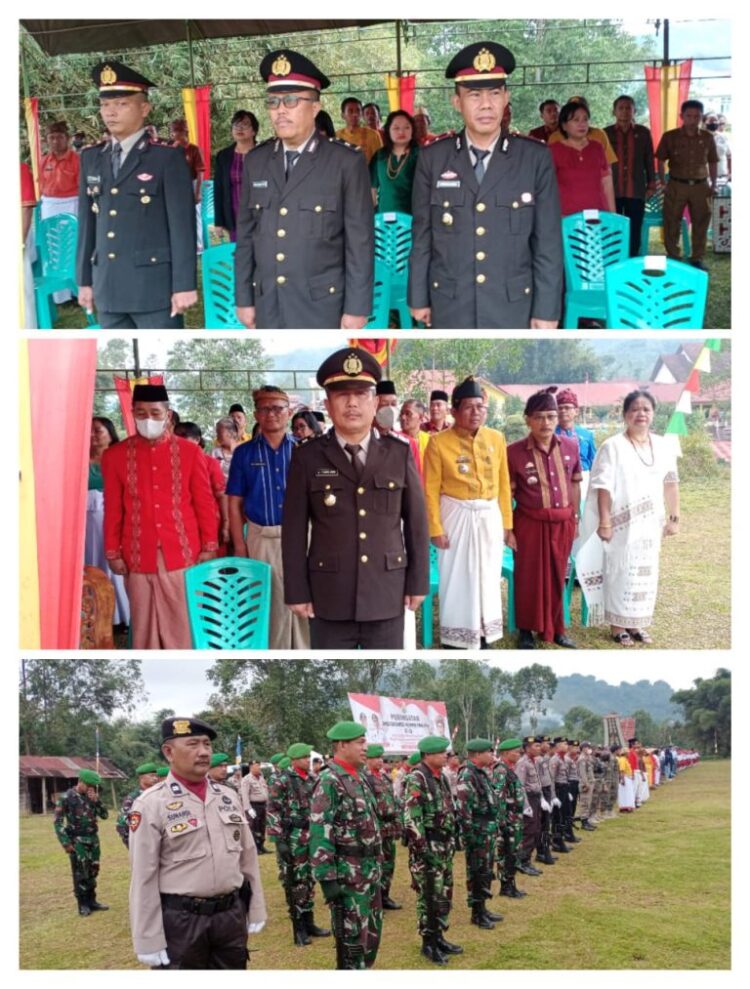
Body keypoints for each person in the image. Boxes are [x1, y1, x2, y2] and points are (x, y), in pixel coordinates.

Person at [408, 41, 563, 329]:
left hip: (514, 304)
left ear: (506, 98)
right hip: (450, 301)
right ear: (457, 102)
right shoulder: (433, 158)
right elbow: (422, 235)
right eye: (474, 95)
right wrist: (419, 297)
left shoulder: (535, 158)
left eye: (494, 93)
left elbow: (548, 242)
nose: (486, 105)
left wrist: (547, 310)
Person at [282, 347, 429, 649]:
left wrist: (418, 582)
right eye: (341, 395)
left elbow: (416, 522)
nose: (352, 403)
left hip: (386, 590)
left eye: (361, 394)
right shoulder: (307, 457)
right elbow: (294, 529)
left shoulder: (398, 453)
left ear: (375, 403)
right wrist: (297, 590)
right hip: (329, 594)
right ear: (327, 404)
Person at [234, 51, 373, 330]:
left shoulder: (345, 161)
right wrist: (243, 298)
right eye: (273, 102)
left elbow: (360, 241)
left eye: (291, 101)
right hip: (267, 302)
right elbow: (247, 235)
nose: (280, 110)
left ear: (315, 107)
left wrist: (357, 308)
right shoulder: (256, 160)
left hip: (321, 304)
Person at [128, 716, 266, 969]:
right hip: (182, 921)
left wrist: (255, 908)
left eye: (207, 744)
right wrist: (148, 938)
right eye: (192, 744)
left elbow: (248, 858)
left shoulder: (227, 796)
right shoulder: (150, 804)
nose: (203, 752)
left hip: (230, 916)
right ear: (169, 752)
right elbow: (143, 877)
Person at [76, 61, 197, 328]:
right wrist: (84, 281)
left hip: (153, 288)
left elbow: (182, 226)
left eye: (121, 104)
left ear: (144, 108)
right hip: (107, 286)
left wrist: (184, 285)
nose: (111, 112)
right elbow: (87, 226)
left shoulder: (166, 157)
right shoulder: (91, 157)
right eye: (106, 105)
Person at [101, 383, 218, 649]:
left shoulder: (190, 452)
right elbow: (113, 509)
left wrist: (209, 546)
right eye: (141, 413)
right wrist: (112, 552)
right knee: (142, 624)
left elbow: (204, 503)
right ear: (132, 414)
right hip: (136, 552)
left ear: (168, 414)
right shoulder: (115, 456)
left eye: (155, 413)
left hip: (182, 550)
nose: (148, 419)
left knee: (182, 622)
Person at [576, 389, 680, 647]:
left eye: (646, 409)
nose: (640, 414)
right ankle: (618, 625)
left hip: (650, 524)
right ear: (625, 415)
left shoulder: (664, 446)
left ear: (653, 414)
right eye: (634, 409)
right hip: (620, 523)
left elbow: (671, 483)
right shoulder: (613, 446)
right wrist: (605, 522)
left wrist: (674, 518)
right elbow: (603, 487)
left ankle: (637, 622)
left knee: (646, 573)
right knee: (620, 571)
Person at [423, 376, 512, 649]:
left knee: (488, 574)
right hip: (456, 516)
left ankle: (486, 632)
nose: (476, 413)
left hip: (489, 516)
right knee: (458, 577)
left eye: (480, 407)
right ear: (454, 411)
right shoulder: (439, 443)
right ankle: (457, 636)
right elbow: (429, 490)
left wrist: (507, 525)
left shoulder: (496, 439)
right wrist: (435, 529)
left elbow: (504, 485)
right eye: (469, 407)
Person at [226, 385, 310, 649]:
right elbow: (234, 500)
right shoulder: (244, 453)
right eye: (265, 409)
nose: (272, 414)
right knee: (266, 599)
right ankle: (276, 651)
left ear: (289, 413)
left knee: (304, 596)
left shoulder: (304, 451)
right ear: (256, 414)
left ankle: (304, 651)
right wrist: (240, 544)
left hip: (300, 536)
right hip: (261, 536)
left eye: (278, 408)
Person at [506, 387, 581, 649]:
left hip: (563, 522)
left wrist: (576, 517)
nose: (546, 423)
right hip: (529, 523)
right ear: (528, 419)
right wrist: (508, 529)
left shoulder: (571, 446)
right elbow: (507, 495)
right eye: (539, 417)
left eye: (551, 416)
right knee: (528, 578)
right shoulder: (514, 452)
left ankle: (557, 629)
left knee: (559, 575)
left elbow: (575, 485)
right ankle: (526, 630)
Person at [309, 721, 382, 969]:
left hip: (368, 871)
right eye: (360, 742)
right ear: (342, 745)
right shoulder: (330, 780)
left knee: (370, 937)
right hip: (348, 877)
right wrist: (327, 879)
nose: (366, 747)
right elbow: (321, 831)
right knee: (352, 944)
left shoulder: (358, 777)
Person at [402, 735, 461, 964]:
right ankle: (428, 943)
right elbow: (411, 818)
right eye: (440, 753)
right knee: (429, 896)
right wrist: (421, 849)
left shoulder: (442, 778)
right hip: (428, 848)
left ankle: (440, 936)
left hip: (444, 846)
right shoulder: (417, 779)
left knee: (445, 892)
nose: (445, 755)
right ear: (428, 755)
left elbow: (448, 809)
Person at [267, 742, 330, 946]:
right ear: (294, 760)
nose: (307, 761)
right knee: (295, 881)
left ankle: (309, 922)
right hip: (293, 836)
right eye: (304, 758)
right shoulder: (281, 779)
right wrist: (278, 841)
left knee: (310, 879)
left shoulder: (314, 778)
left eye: (308, 758)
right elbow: (273, 809)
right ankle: (299, 926)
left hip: (312, 834)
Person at [656, 99, 718, 270]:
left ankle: (696, 258)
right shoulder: (670, 136)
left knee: (701, 221)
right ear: (681, 116)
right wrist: (663, 182)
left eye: (696, 116)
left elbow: (713, 162)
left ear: (701, 117)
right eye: (689, 116)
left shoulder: (707, 137)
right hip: (676, 184)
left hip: (701, 186)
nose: (692, 119)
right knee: (671, 220)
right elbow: (660, 160)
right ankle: (673, 256)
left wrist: (713, 184)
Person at [87, 416, 130, 626]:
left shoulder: (120, 458)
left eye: (97, 430)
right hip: (84, 523)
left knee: (112, 565)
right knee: (89, 565)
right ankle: (91, 614)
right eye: (89, 431)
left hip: (112, 518)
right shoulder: (78, 459)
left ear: (110, 433)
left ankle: (118, 617)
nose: (92, 435)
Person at [456, 739, 501, 930]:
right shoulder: (467, 775)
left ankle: (483, 908)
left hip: (487, 831)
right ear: (477, 754)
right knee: (476, 872)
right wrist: (470, 836)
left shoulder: (480, 773)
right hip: (477, 833)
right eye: (488, 752)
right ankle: (476, 913)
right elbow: (464, 810)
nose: (491, 755)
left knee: (485, 872)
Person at [604, 95, 656, 256]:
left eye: (629, 108)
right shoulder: (605, 133)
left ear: (635, 111)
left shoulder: (643, 133)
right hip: (612, 190)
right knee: (613, 227)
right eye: (621, 108)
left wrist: (651, 184)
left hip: (636, 189)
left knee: (634, 227)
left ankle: (632, 259)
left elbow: (649, 159)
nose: (625, 111)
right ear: (614, 111)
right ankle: (614, 259)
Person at [53, 768, 109, 916]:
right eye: (89, 785)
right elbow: (58, 822)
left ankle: (92, 901)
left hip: (93, 840)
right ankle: (83, 904)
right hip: (77, 840)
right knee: (80, 872)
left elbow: (105, 815)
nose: (91, 789)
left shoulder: (91, 797)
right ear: (81, 782)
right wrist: (66, 843)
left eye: (93, 787)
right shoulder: (66, 797)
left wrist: (97, 802)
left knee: (93, 870)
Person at [549, 100, 615, 216]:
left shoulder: (597, 147)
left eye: (585, 119)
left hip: (598, 214)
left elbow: (607, 182)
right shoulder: (553, 150)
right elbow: (548, 186)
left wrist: (613, 214)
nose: (582, 124)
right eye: (576, 120)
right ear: (564, 125)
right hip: (566, 217)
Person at [39, 121, 81, 305]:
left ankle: (77, 292)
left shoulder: (77, 160)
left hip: (72, 203)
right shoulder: (44, 161)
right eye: (51, 138)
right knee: (53, 248)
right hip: (49, 204)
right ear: (47, 140)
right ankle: (60, 296)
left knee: (74, 247)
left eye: (59, 137)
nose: (55, 141)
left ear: (68, 139)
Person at [362, 744, 402, 911]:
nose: (380, 761)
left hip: (389, 827)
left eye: (381, 758)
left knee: (388, 864)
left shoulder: (384, 778)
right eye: (376, 758)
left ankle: (385, 896)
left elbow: (393, 800)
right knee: (375, 865)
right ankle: (375, 901)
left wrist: (398, 821)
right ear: (367, 759)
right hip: (376, 827)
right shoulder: (365, 778)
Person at [213, 110, 259, 241]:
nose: (239, 128)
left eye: (245, 124)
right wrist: (219, 222)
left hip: (260, 213)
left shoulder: (264, 154)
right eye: (235, 125)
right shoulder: (224, 156)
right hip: (234, 212)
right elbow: (219, 190)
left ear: (254, 131)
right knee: (240, 253)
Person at [493, 739, 528, 898]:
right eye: (515, 751)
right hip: (508, 820)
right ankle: (506, 886)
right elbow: (499, 799)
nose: (519, 753)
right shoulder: (501, 771)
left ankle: (511, 884)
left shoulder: (509, 769)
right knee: (506, 853)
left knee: (513, 852)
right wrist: (502, 823)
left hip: (514, 819)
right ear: (506, 753)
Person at [370, 110, 419, 214]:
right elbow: (372, 190)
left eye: (406, 127)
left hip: (414, 219)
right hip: (383, 219)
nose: (401, 132)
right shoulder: (380, 155)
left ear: (413, 130)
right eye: (396, 128)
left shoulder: (420, 155)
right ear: (388, 130)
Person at [555, 388, 596, 501]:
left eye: (567, 408)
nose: (563, 411)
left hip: (584, 479)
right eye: (560, 408)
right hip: (558, 480)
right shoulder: (549, 435)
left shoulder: (587, 435)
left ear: (576, 411)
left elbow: (594, 462)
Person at [514, 738, 544, 875]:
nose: (539, 748)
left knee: (536, 829)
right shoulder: (522, 763)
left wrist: (542, 798)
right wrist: (525, 805)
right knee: (529, 831)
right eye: (536, 746)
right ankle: (522, 861)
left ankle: (527, 860)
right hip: (529, 799)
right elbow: (520, 786)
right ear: (527, 749)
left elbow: (537, 783)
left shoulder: (535, 762)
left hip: (536, 798)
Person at [115, 762, 160, 847]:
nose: (155, 778)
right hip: (141, 842)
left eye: (156, 776)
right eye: (151, 776)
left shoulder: (158, 795)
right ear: (142, 778)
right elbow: (121, 823)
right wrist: (131, 842)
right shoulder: (133, 798)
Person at [169, 118, 205, 205]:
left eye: (176, 131)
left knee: (194, 214)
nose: (173, 134)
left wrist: (198, 193)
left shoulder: (194, 149)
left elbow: (200, 173)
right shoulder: (168, 148)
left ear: (184, 132)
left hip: (191, 184)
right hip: (173, 185)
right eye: (172, 131)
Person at [336, 97, 383, 163]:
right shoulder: (337, 136)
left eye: (358, 111)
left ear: (361, 114)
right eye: (350, 111)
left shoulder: (373, 135)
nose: (355, 114)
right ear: (343, 115)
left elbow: (380, 160)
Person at [241, 759, 270, 853]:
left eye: (259, 765)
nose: (258, 767)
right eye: (256, 766)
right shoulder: (247, 779)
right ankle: (255, 847)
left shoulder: (261, 778)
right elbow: (244, 795)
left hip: (263, 805)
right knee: (254, 827)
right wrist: (248, 809)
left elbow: (266, 792)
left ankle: (261, 845)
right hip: (254, 806)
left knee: (262, 826)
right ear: (250, 767)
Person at [704, 112, 731, 183]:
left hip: (722, 176)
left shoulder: (723, 137)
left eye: (715, 120)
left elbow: (729, 156)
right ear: (705, 122)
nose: (714, 122)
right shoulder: (700, 137)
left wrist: (730, 173)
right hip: (705, 178)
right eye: (711, 120)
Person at [210, 416, 240, 480]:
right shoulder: (215, 452)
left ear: (231, 433)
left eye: (219, 432)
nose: (217, 435)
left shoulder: (244, 451)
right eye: (217, 432)